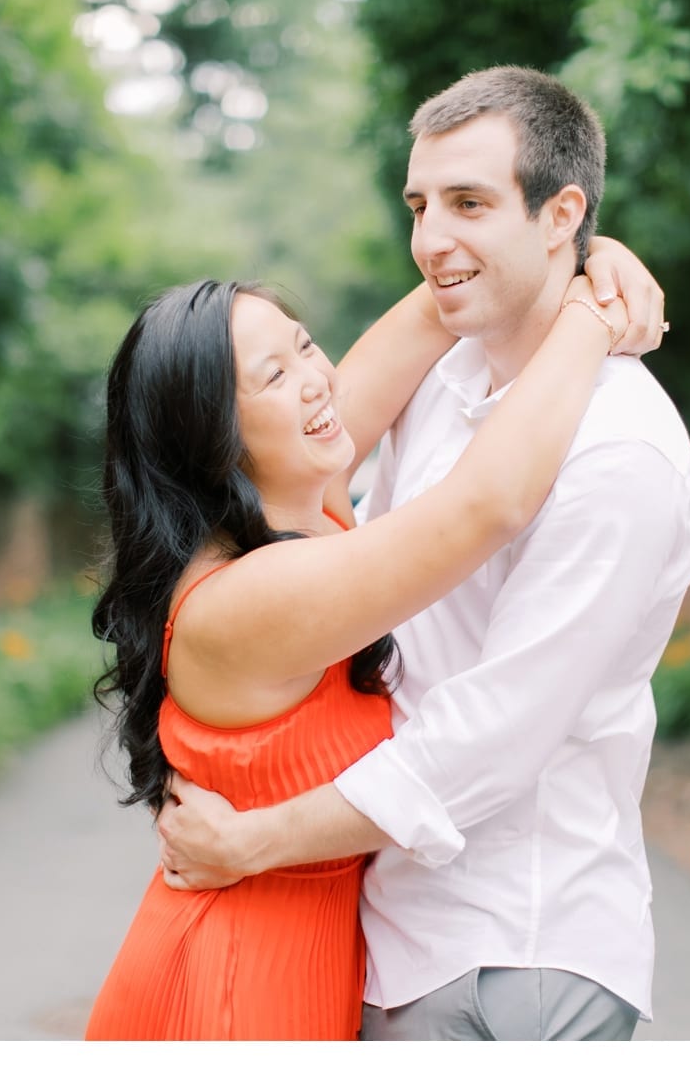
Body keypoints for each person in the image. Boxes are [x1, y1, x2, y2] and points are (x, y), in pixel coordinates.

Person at [156, 66, 690, 1041]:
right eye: (418, 205)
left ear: (560, 211)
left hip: (516, 948)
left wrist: (253, 842)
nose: (427, 238)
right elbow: (457, 501)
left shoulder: (617, 452)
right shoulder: (446, 380)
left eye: (466, 201)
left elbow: (492, 734)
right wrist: (568, 266)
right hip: (393, 934)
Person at [81, 233, 660, 1035]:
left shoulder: (299, 503)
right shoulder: (250, 597)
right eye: (275, 375)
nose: (319, 379)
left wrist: (589, 246)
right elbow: (485, 506)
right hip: (237, 986)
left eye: (306, 344)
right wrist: (592, 317)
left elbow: (447, 292)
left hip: (315, 963)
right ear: (210, 437)